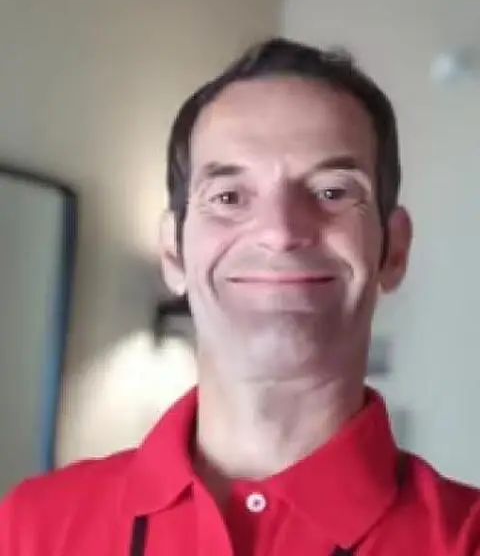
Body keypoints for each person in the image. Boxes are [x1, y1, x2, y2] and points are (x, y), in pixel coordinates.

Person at [1, 38, 479, 556]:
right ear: (173, 252)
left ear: (394, 249)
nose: (280, 232)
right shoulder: (32, 527)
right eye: (228, 197)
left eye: (332, 192)